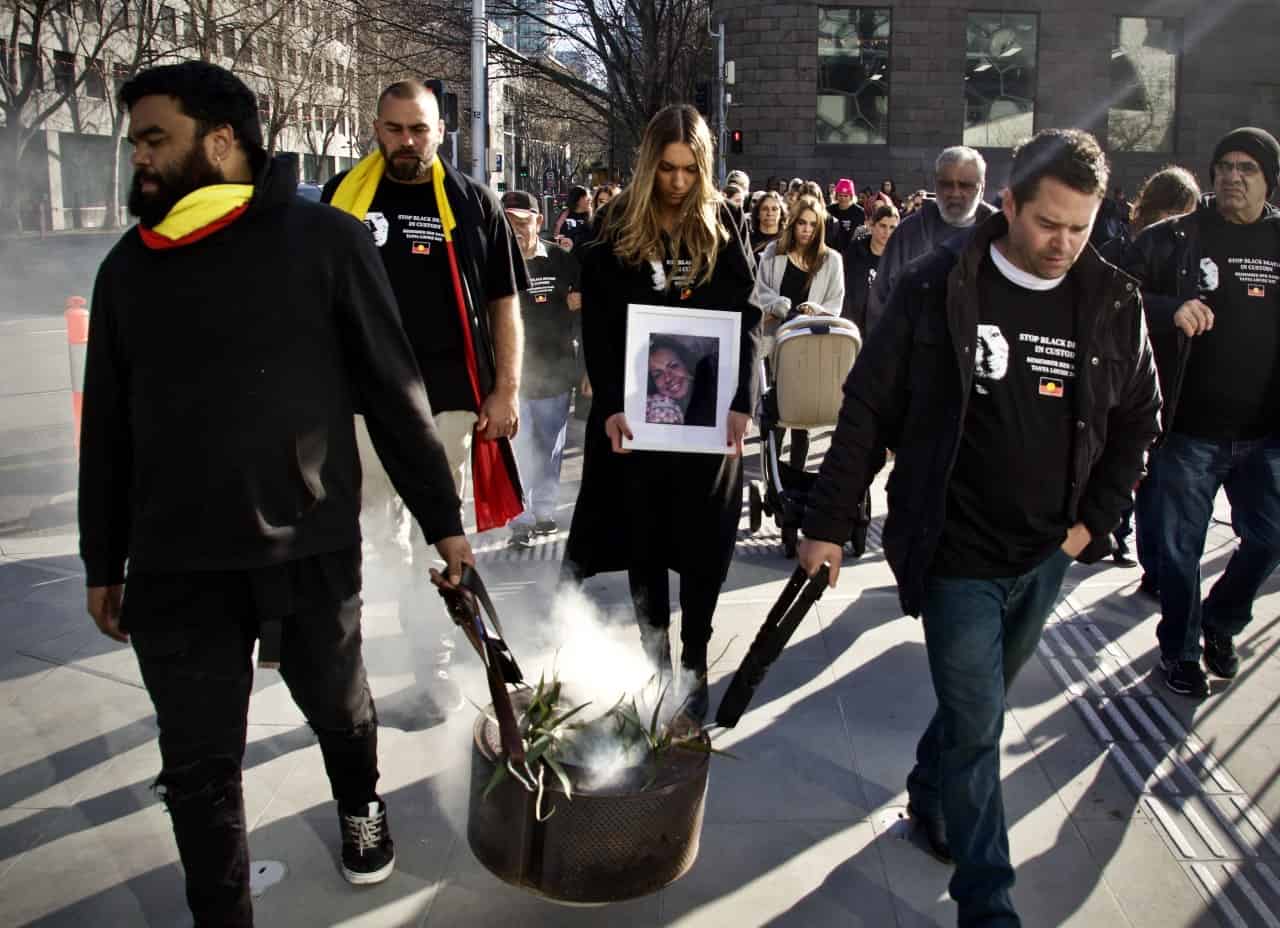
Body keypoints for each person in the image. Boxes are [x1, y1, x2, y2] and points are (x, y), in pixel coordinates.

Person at [80, 62, 477, 926]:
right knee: (196, 763)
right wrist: (100, 556)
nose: (138, 159)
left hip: (308, 542)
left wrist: (444, 526)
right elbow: (107, 427)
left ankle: (360, 804)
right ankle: (220, 911)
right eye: (136, 141)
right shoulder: (126, 272)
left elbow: (394, 391)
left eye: (156, 139)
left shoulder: (324, 241)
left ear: (221, 141)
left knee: (342, 706)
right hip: (177, 561)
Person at [799, 128, 1159, 927]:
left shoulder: (1112, 298)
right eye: (1047, 224)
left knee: (973, 708)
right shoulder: (936, 286)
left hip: (1046, 553)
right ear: (1009, 205)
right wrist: (828, 521)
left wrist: (1086, 530)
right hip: (955, 547)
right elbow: (868, 409)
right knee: (979, 724)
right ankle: (987, 904)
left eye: (1081, 226)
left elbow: (1140, 417)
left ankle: (929, 794)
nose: (1063, 244)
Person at [321, 79, 527, 713]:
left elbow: (503, 302)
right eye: (393, 129)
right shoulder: (341, 198)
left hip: (447, 403)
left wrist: (506, 389)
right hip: (361, 403)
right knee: (376, 537)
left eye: (418, 129)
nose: (406, 142)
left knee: (440, 537)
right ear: (375, 128)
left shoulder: (472, 203)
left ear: (442, 130)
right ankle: (354, 664)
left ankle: (431, 664)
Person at [564, 103, 760, 723]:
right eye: (668, 169)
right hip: (637, 422)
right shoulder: (617, 223)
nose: (677, 183)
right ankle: (657, 663)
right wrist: (612, 406)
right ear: (651, 164)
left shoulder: (725, 222)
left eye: (689, 170)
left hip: (706, 417)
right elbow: (596, 320)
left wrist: (741, 401)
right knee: (643, 542)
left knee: (703, 545)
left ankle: (696, 660)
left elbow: (747, 318)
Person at [1119, 127, 1280, 699]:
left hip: (1265, 434)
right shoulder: (1176, 238)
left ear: (1268, 179)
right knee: (1179, 553)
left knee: (1267, 539)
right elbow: (1115, 297)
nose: (1232, 177)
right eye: (1224, 166)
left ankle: (1222, 623)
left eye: (1247, 168)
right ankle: (1180, 651)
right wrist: (1170, 309)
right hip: (1188, 428)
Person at [1100, 165, 1201, 574]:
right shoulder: (1123, 248)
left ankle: (1147, 555)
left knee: (1155, 470)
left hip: (1170, 374)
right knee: (1126, 456)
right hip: (1126, 370)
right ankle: (1118, 531)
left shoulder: (1187, 252)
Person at [501, 190, 582, 548]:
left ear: (538, 220)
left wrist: (585, 369)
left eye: (522, 221)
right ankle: (520, 516)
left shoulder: (562, 260)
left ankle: (545, 509)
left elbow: (581, 310)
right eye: (508, 222)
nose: (516, 229)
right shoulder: (495, 261)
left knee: (549, 445)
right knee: (519, 445)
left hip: (556, 368)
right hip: (513, 372)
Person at [754, 193, 846, 470]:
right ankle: (772, 472)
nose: (806, 229)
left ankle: (796, 474)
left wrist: (815, 309)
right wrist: (779, 304)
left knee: (803, 416)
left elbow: (836, 304)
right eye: (801, 223)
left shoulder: (832, 260)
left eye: (812, 224)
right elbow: (759, 293)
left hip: (811, 343)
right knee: (778, 408)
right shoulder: (773, 254)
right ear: (793, 224)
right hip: (777, 341)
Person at [868, 146, 996, 334]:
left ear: (982, 188)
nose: (955, 193)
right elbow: (880, 304)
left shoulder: (1002, 235)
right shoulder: (908, 234)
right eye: (947, 184)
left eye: (965, 185)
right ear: (935, 185)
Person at [841, 202, 899, 333]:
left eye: (892, 228)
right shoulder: (853, 253)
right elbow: (844, 289)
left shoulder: (900, 258)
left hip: (885, 329)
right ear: (872, 226)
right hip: (853, 325)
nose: (887, 232)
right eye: (883, 226)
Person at [645, 336, 717, 427]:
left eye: (673, 366)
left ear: (686, 364)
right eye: (658, 375)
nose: (667, 378)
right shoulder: (656, 407)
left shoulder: (714, 393)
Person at [827, 177, 865, 251]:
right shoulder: (829, 210)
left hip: (852, 251)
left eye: (846, 196)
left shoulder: (859, 212)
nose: (843, 198)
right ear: (836, 196)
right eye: (840, 195)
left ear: (851, 197)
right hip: (831, 249)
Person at [554, 185, 593, 249]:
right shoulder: (565, 214)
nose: (590, 199)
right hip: (565, 251)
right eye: (587, 197)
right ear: (578, 200)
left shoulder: (591, 216)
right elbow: (557, 233)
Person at [750, 189, 786, 256]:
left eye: (774, 209)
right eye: (765, 209)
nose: (769, 213)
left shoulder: (787, 241)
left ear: (781, 213)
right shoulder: (747, 240)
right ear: (758, 214)